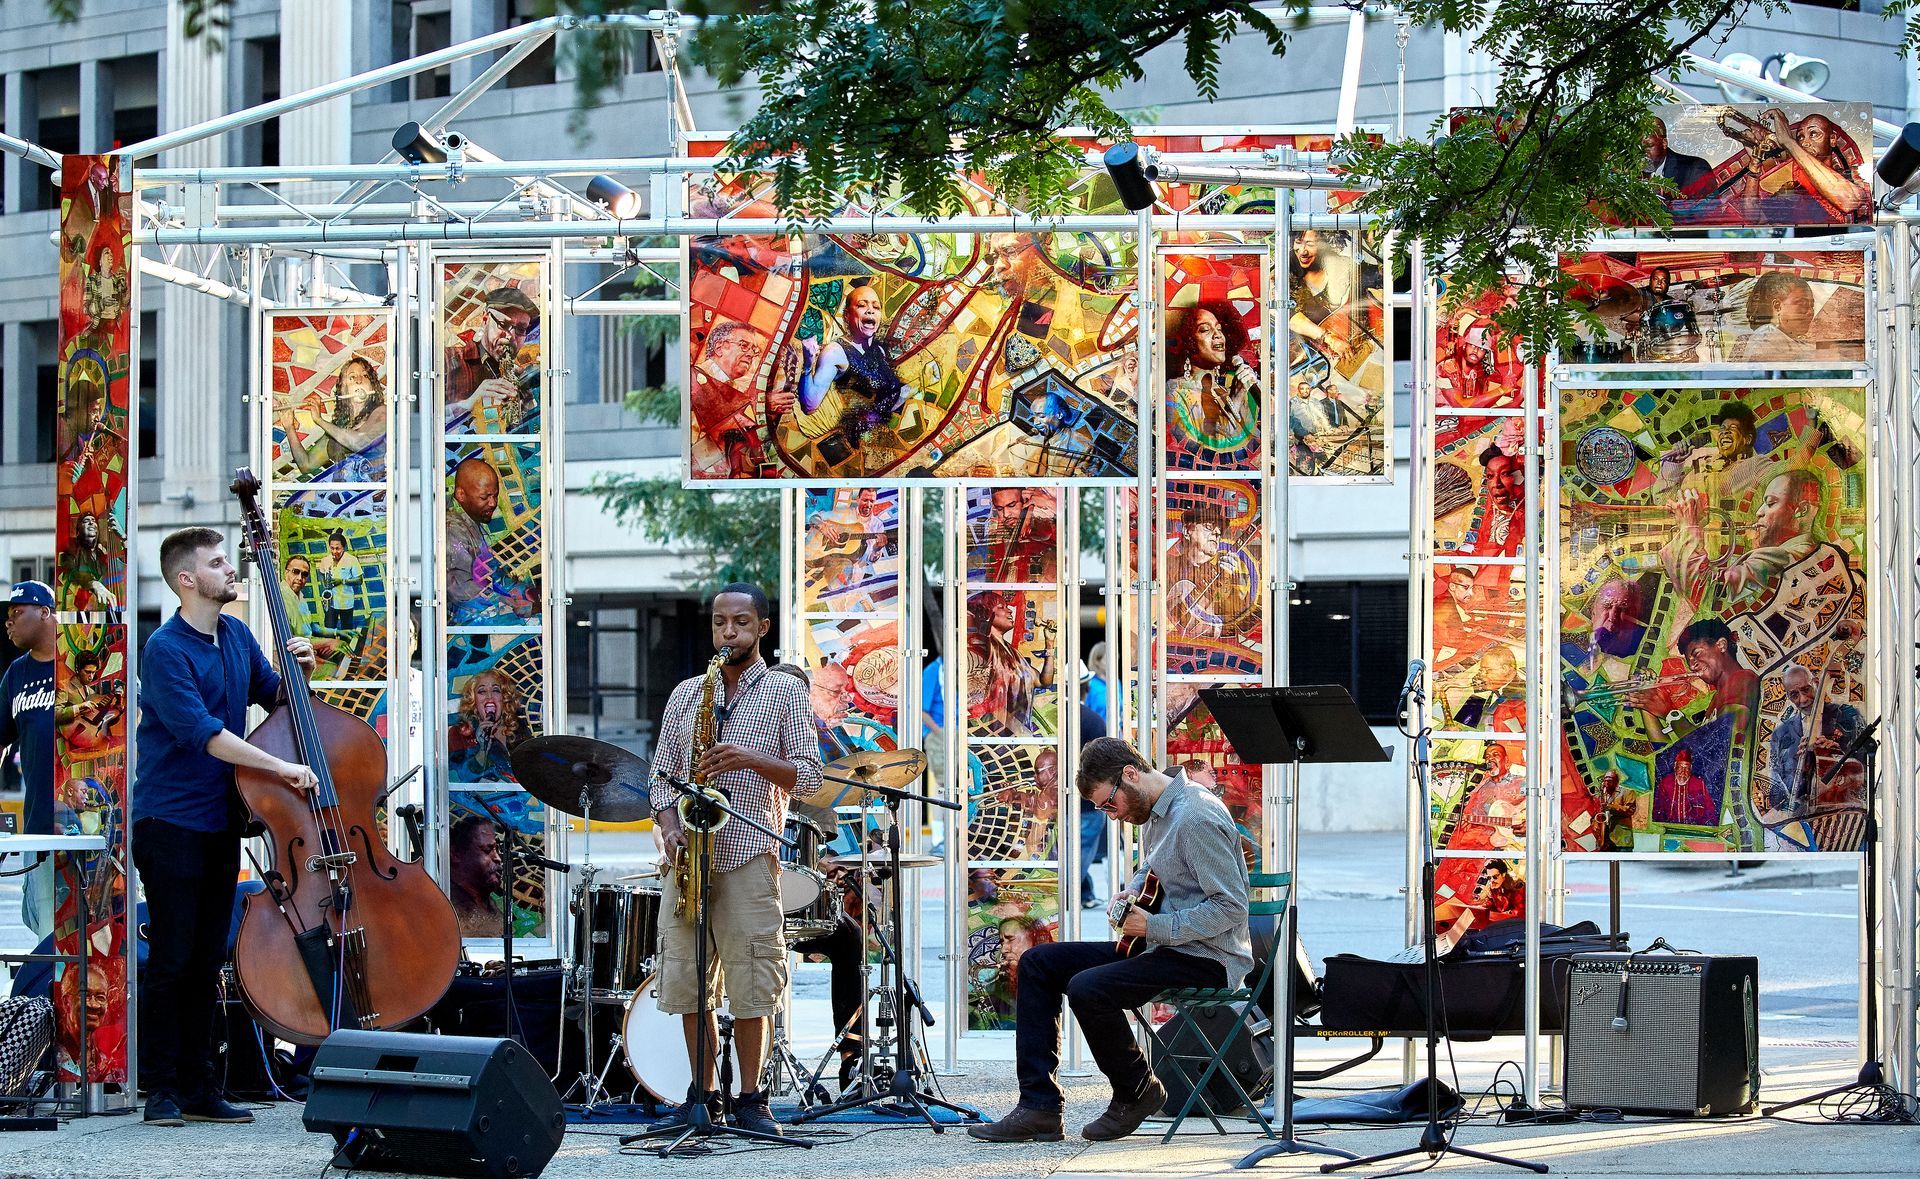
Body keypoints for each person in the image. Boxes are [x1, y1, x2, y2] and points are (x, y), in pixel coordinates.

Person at [969, 737, 1250, 1144]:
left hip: (1209, 957)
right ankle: (1039, 1108)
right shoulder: (1159, 812)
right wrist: (1129, 894)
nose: (1111, 816)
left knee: (1089, 988)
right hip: (1166, 946)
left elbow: (1231, 909)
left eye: (1108, 804)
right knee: (1038, 962)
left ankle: (1137, 1090)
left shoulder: (1196, 817)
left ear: (1130, 775)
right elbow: (1153, 869)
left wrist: (1153, 928)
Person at [132, 527, 318, 1127]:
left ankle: (200, 1087)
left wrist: (300, 674)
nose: (229, 569)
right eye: (216, 563)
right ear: (188, 581)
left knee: (210, 955)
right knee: (173, 957)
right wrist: (284, 770)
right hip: (170, 821)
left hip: (218, 822)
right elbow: (208, 736)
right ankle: (161, 1088)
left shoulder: (237, 635)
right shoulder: (164, 650)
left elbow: (276, 699)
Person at [645, 583, 823, 1138]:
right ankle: (703, 1097)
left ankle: (752, 1099)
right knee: (688, 981)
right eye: (721, 623)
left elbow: (812, 778)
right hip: (689, 860)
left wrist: (750, 758)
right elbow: (658, 780)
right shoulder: (686, 694)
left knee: (753, 982)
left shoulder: (785, 694)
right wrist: (670, 824)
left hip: (748, 853)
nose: (729, 632)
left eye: (741, 623)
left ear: (762, 628)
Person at [768, 663, 871, 1088]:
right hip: (738, 893)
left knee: (850, 939)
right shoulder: (732, 748)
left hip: (788, 899)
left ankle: (852, 1053)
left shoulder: (811, 764)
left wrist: (825, 866)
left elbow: (815, 851)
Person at [792, 279, 911, 474]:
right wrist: (807, 365)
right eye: (862, 305)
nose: (870, 311)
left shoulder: (878, 350)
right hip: (850, 453)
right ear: (847, 315)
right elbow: (810, 405)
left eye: (876, 307)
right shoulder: (835, 352)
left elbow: (881, 399)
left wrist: (902, 395)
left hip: (879, 448)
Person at [0, 582, 57, 937]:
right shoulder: (17, 675)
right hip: (42, 826)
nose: (9, 622)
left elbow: (137, 724)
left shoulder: (87, 661)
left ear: (46, 613)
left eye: (18, 613)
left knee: (102, 940)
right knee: (49, 936)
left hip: (101, 827)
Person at [446, 456, 537, 625]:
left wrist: (517, 592)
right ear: (461, 494)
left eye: (495, 496)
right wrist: (508, 600)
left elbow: (490, 572)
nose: (493, 503)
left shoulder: (469, 523)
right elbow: (464, 592)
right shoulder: (452, 530)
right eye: (484, 497)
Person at [1768, 661, 1865, 813]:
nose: (1803, 699)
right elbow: (1775, 796)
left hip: (1842, 814)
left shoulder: (1849, 717)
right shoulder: (1781, 734)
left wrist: (1838, 755)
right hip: (1801, 823)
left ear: (1817, 683)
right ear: (1788, 696)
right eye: (1794, 695)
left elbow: (1865, 772)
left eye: (1806, 690)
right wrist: (1798, 762)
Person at [690, 320, 781, 477]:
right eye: (744, 345)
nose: (751, 354)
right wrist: (763, 403)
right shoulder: (694, 378)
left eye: (754, 350)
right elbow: (719, 421)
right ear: (719, 347)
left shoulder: (735, 387)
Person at [445, 284, 540, 432]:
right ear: (485, 319)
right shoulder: (447, 359)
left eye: (521, 329)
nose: (510, 336)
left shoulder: (521, 375)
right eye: (503, 324)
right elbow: (428, 418)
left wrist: (529, 404)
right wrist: (470, 403)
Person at [1165, 301, 1258, 452]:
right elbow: (1209, 449)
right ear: (1189, 343)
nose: (1218, 335)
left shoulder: (1226, 391)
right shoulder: (1175, 392)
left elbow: (1254, 443)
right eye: (1205, 330)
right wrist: (1236, 398)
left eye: (1219, 328)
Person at [277, 354, 387, 481]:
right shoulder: (337, 429)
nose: (359, 380)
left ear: (373, 386)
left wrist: (319, 420)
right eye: (352, 377)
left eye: (365, 376)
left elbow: (361, 443)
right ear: (343, 389)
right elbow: (306, 465)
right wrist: (289, 427)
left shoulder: (382, 413)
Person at [1164, 505, 1255, 640]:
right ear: (1187, 530)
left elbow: (1235, 625)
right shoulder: (1167, 565)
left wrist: (1224, 579)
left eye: (1219, 532)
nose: (1216, 533)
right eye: (1208, 527)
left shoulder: (1227, 580)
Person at [967, 590, 1040, 736]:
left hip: (1011, 733)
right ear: (986, 614)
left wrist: (1050, 646)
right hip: (991, 736)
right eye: (1001, 607)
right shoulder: (972, 655)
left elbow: (1040, 680)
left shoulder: (1011, 653)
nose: (1009, 610)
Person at [447, 668, 534, 781]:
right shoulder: (460, 733)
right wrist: (483, 750)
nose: (489, 696)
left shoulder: (518, 730)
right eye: (482, 691)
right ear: (473, 700)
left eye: (496, 690)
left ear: (504, 698)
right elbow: (459, 778)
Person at [277, 554, 351, 677]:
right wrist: (327, 642)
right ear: (286, 572)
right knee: (333, 670)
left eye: (304, 574)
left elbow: (310, 626)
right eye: (296, 572)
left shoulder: (299, 597)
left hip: (310, 648)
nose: (300, 578)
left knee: (340, 653)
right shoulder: (281, 597)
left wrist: (337, 632)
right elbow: (289, 639)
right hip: (294, 654)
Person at [1674, 616, 1760, 722]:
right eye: (1689, 662)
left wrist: (1673, 718)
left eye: (1697, 654)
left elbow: (1720, 737)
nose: (1692, 666)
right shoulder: (1717, 697)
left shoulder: (1742, 680)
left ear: (1721, 645)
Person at [448, 811, 507, 937]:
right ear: (456, 854)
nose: (497, 858)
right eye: (487, 850)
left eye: (498, 850)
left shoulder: (489, 903)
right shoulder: (449, 906)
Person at [1076, 695, 1109, 909]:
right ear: (1087, 689)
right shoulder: (1093, 720)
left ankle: (1084, 893)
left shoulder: (1050, 718)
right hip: (1088, 802)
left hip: (1054, 803)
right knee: (1081, 854)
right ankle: (1070, 893)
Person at [1739, 273, 1818, 363]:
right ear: (1777, 306)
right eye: (1801, 304)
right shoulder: (1766, 342)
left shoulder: (1793, 340)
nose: (1810, 312)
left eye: (1812, 305)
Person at [1652, 748, 1719, 827]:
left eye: (1686, 768)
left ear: (1690, 769)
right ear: (1675, 767)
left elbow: (1710, 808)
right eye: (1680, 767)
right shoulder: (1665, 783)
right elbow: (1656, 809)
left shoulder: (1699, 784)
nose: (1683, 772)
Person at [1642, 116, 1712, 191]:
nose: (1642, 152)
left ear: (1664, 143)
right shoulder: (1632, 171)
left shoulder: (1695, 169)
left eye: (1649, 146)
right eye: (1637, 147)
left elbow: (1707, 202)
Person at [315, 530, 363, 634]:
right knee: (329, 631)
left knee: (347, 631)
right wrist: (324, 584)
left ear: (344, 547)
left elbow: (359, 580)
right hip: (330, 603)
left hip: (346, 602)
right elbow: (321, 573)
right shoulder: (325, 560)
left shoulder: (352, 560)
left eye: (338, 548)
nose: (334, 551)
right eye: (332, 548)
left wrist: (342, 581)